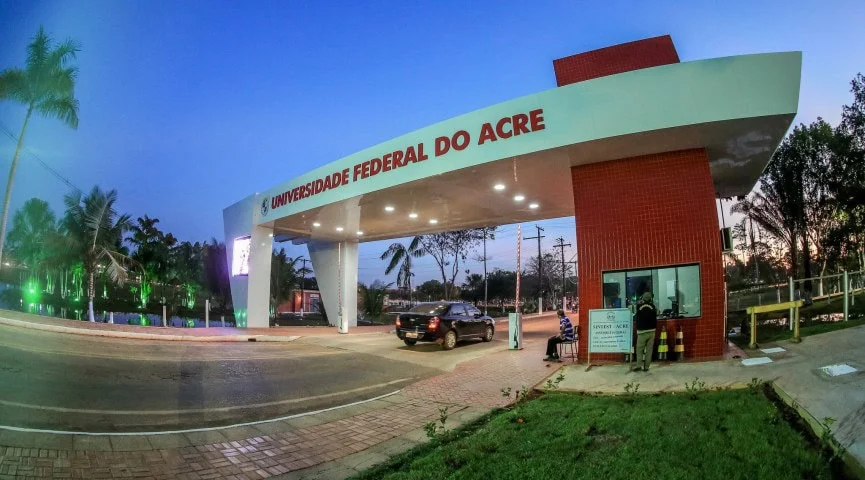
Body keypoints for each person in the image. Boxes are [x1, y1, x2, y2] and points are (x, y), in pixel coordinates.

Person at [633, 292, 658, 371]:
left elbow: (634, 314)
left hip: (642, 332)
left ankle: (639, 365)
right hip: (652, 331)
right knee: (649, 350)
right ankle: (646, 367)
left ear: (643, 298)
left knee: (639, 349)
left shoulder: (638, 306)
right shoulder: (653, 306)